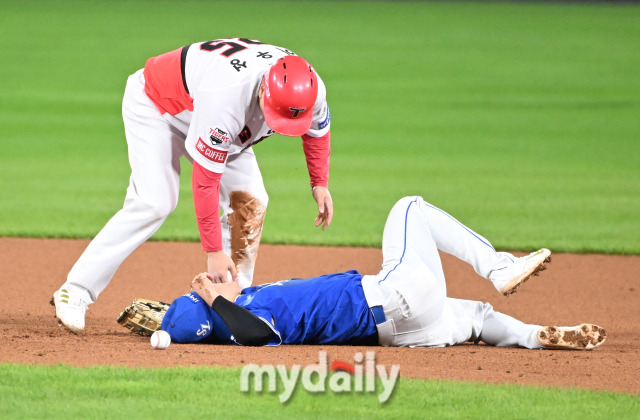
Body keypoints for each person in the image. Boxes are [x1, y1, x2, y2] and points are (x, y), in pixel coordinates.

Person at [51, 38, 334, 332]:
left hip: (217, 121)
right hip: (158, 106)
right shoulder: (227, 95)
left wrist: (319, 183)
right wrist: (213, 251)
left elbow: (317, 131)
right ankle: (76, 290)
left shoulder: (309, 88)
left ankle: (229, 305)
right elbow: (204, 182)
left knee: (251, 202)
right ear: (265, 89)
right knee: (154, 201)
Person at [159, 196, 606, 350]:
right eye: (213, 285)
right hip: (393, 297)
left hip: (401, 331)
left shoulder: (247, 309)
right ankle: (500, 265)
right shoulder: (250, 315)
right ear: (218, 310)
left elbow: (228, 325)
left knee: (476, 317)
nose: (220, 278)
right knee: (409, 207)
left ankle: (534, 336)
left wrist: (172, 322)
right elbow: (251, 335)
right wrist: (217, 300)